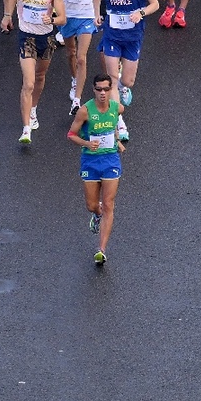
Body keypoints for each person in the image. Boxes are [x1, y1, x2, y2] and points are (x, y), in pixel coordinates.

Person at [2, 0, 66, 144]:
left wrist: (52, 19)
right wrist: (7, 14)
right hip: (26, 36)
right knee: (28, 82)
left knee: (39, 77)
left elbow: (63, 18)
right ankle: (26, 129)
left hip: (46, 37)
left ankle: (34, 109)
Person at [67, 74, 125, 266]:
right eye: (99, 89)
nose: (102, 93)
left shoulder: (116, 108)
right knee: (92, 205)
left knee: (109, 203)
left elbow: (114, 124)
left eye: (106, 89)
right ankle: (96, 214)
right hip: (90, 162)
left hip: (110, 160)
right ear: (93, 90)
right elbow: (71, 134)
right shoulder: (84, 111)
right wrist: (86, 143)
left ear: (110, 90)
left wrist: (117, 140)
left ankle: (101, 250)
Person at [95, 0, 158, 107]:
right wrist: (96, 14)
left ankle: (123, 88)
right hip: (112, 35)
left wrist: (141, 13)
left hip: (132, 36)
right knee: (113, 78)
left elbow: (155, 4)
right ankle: (119, 123)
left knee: (128, 81)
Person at [55, 0, 99, 113]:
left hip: (86, 15)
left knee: (81, 57)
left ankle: (77, 100)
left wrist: (97, 11)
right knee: (70, 53)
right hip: (69, 14)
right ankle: (74, 79)